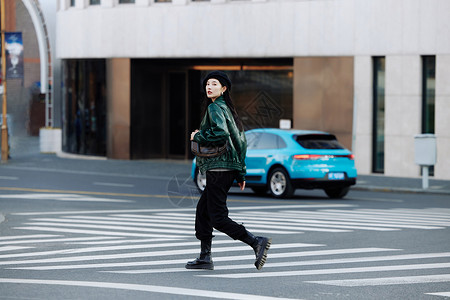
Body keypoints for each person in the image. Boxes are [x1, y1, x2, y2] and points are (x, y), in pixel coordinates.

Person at [186, 71, 271, 271]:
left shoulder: (216, 107)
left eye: (214, 84)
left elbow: (220, 133)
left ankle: (255, 241)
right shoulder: (228, 110)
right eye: (207, 83)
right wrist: (240, 173)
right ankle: (205, 257)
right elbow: (241, 142)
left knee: (217, 216)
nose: (209, 87)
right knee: (203, 211)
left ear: (224, 89)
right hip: (228, 168)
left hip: (219, 167)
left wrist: (198, 136)